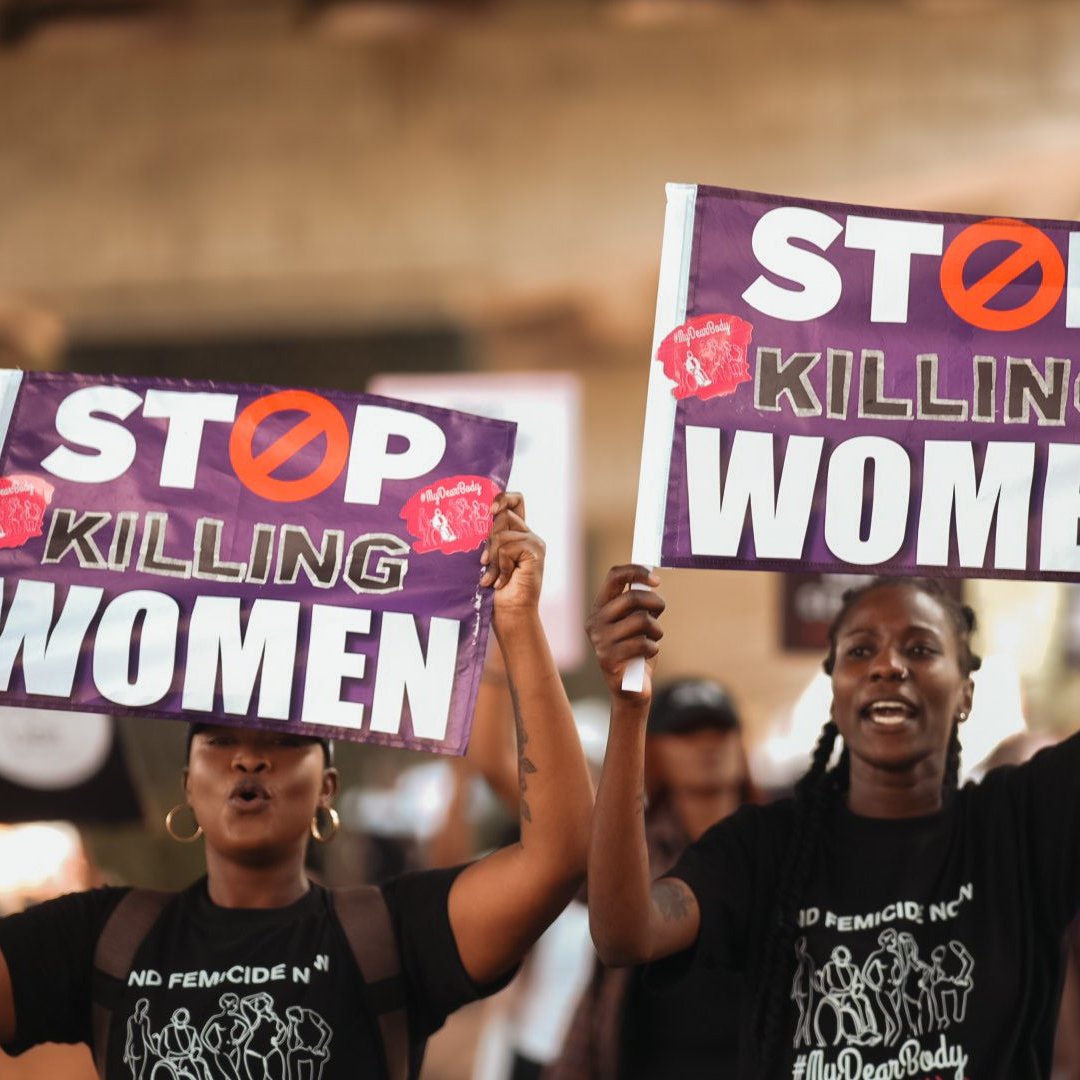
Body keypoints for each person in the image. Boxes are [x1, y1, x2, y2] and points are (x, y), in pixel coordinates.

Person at [0, 492, 594, 1080]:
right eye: (219, 741)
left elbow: (558, 858)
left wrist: (518, 622)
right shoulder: (101, 937)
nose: (249, 759)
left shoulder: (391, 934)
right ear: (187, 786)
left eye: (285, 742)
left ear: (326, 786)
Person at [586, 565, 1080, 1077]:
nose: (888, 666)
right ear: (836, 694)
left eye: (920, 649)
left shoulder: (1021, 824)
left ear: (966, 693)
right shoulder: (766, 847)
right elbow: (625, 933)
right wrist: (629, 709)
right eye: (861, 651)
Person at [546, 678, 755, 1079]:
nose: (707, 744)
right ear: (654, 749)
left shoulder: (783, 843)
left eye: (720, 729)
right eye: (686, 732)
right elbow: (558, 838)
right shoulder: (628, 848)